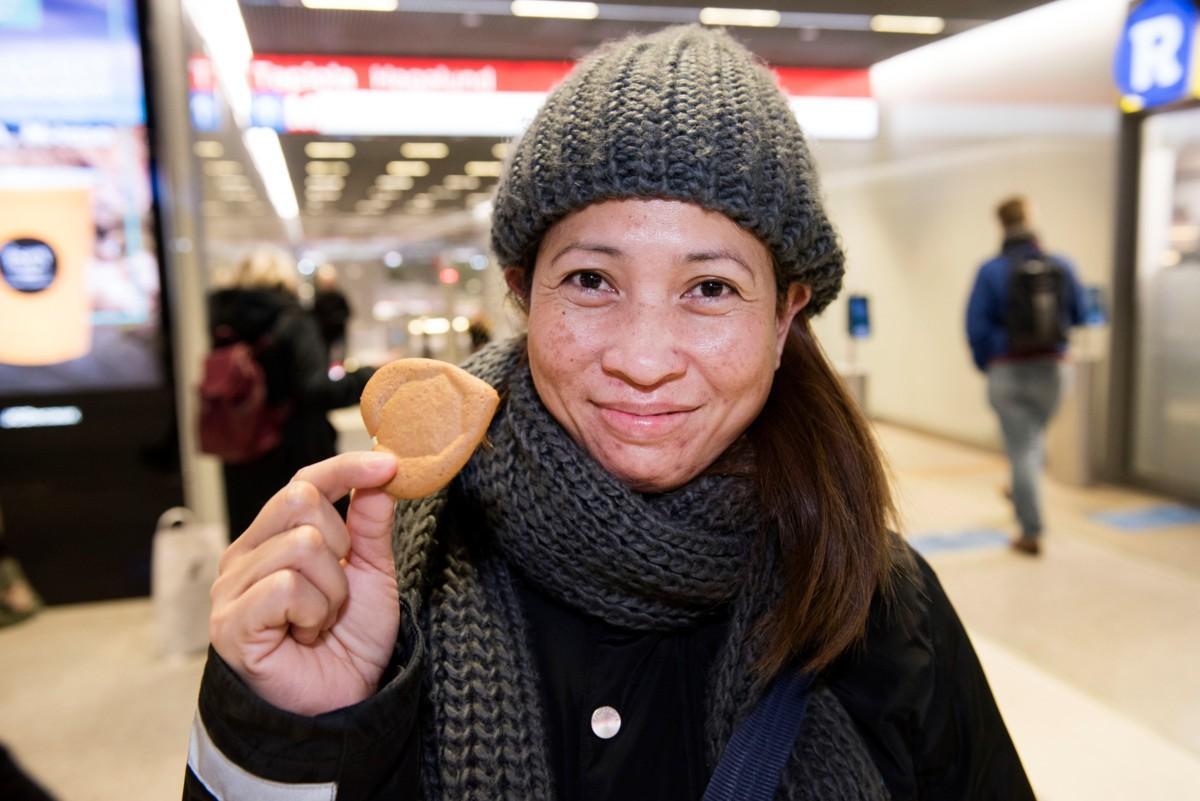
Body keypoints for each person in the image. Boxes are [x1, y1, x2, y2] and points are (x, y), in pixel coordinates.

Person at [186, 27, 1033, 801]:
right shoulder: (378, 593)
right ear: (523, 293)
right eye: (592, 280)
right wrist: (288, 734)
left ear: (785, 318)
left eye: (711, 288)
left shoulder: (882, 605)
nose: (644, 357)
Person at [207, 248, 374, 537]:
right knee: (316, 544)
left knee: (258, 544)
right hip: (297, 451)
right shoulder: (293, 321)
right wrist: (368, 377)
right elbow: (315, 389)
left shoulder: (221, 325)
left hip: (243, 449)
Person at [966, 196, 1087, 556]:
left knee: (1022, 449)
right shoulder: (1061, 265)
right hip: (1054, 371)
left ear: (1000, 224)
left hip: (1008, 370)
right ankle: (1020, 488)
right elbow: (1080, 313)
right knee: (1030, 443)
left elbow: (975, 326)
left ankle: (1030, 530)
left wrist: (990, 363)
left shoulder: (991, 271)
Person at [312, 263, 353, 364]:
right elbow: (314, 315)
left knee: (340, 357)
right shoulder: (318, 298)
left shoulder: (339, 296)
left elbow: (348, 312)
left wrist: (336, 319)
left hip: (338, 333)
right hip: (323, 335)